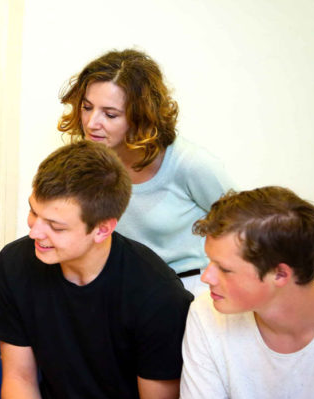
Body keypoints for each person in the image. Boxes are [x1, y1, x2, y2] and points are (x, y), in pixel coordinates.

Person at [0, 141, 193, 399]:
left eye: (56, 227)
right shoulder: (14, 264)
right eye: (34, 212)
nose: (35, 232)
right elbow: (20, 378)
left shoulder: (158, 295)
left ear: (102, 229)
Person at [58, 49, 232, 296]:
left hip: (188, 290)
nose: (91, 123)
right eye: (87, 107)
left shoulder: (191, 164)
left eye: (110, 114)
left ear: (141, 117)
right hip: (123, 289)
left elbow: (244, 228)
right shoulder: (88, 162)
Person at [179, 187, 314, 399]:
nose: (206, 277)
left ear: (280, 274)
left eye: (225, 269)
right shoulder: (207, 312)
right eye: (209, 262)